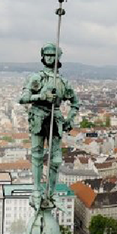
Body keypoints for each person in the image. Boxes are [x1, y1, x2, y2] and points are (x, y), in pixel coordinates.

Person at [19, 43, 80, 204]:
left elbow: (75, 103)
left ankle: (51, 192)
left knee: (56, 159)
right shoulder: (36, 78)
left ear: (58, 58)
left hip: (56, 118)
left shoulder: (63, 82)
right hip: (38, 117)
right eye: (47, 55)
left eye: (53, 55)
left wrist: (69, 120)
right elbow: (23, 98)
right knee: (37, 155)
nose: (49, 58)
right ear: (43, 57)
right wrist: (41, 97)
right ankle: (37, 189)